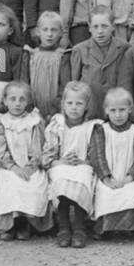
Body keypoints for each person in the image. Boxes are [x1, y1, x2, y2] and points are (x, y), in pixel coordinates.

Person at [0, 81, 53, 240]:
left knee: (34, 184)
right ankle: (9, 225)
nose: (17, 103)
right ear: (5, 100)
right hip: (8, 166)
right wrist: (13, 167)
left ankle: (25, 223)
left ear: (28, 101)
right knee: (10, 185)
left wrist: (31, 166)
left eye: (22, 99)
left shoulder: (34, 121)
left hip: (31, 166)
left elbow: (39, 146)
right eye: (13, 99)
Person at [43, 81, 99, 248]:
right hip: (60, 165)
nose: (74, 107)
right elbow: (48, 156)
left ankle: (79, 227)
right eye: (70, 103)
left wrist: (83, 162)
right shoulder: (57, 125)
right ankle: (64, 227)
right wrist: (61, 161)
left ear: (87, 106)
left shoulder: (92, 127)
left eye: (79, 103)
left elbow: (95, 155)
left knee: (82, 178)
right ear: (63, 104)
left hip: (83, 165)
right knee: (61, 180)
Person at [88, 87, 134, 240]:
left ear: (130, 109)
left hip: (129, 177)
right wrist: (107, 178)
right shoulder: (101, 130)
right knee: (106, 194)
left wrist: (129, 178)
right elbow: (98, 156)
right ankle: (106, 229)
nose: (118, 114)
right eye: (113, 110)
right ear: (106, 111)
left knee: (131, 194)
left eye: (122, 110)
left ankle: (133, 229)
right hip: (108, 177)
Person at [67, 6, 127, 116]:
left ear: (113, 26)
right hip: (90, 108)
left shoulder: (124, 48)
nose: (100, 31)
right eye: (95, 26)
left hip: (115, 109)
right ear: (89, 27)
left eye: (104, 26)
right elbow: (75, 83)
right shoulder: (80, 50)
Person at [25, 11, 69, 118]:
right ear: (37, 31)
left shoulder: (63, 56)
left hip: (56, 112)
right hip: (32, 112)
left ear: (61, 32)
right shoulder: (30, 55)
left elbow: (64, 87)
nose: (49, 34)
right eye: (45, 29)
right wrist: (31, 109)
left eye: (54, 30)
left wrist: (55, 110)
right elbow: (24, 84)